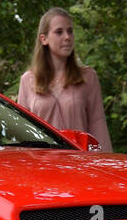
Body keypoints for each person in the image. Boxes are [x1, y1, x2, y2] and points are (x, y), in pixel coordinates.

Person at [17, 8, 112, 152]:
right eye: (59, 32)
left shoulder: (88, 77)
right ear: (44, 39)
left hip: (79, 166)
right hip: (42, 167)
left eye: (70, 31)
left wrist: (106, 164)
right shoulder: (27, 81)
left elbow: (98, 126)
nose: (67, 37)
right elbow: (22, 131)